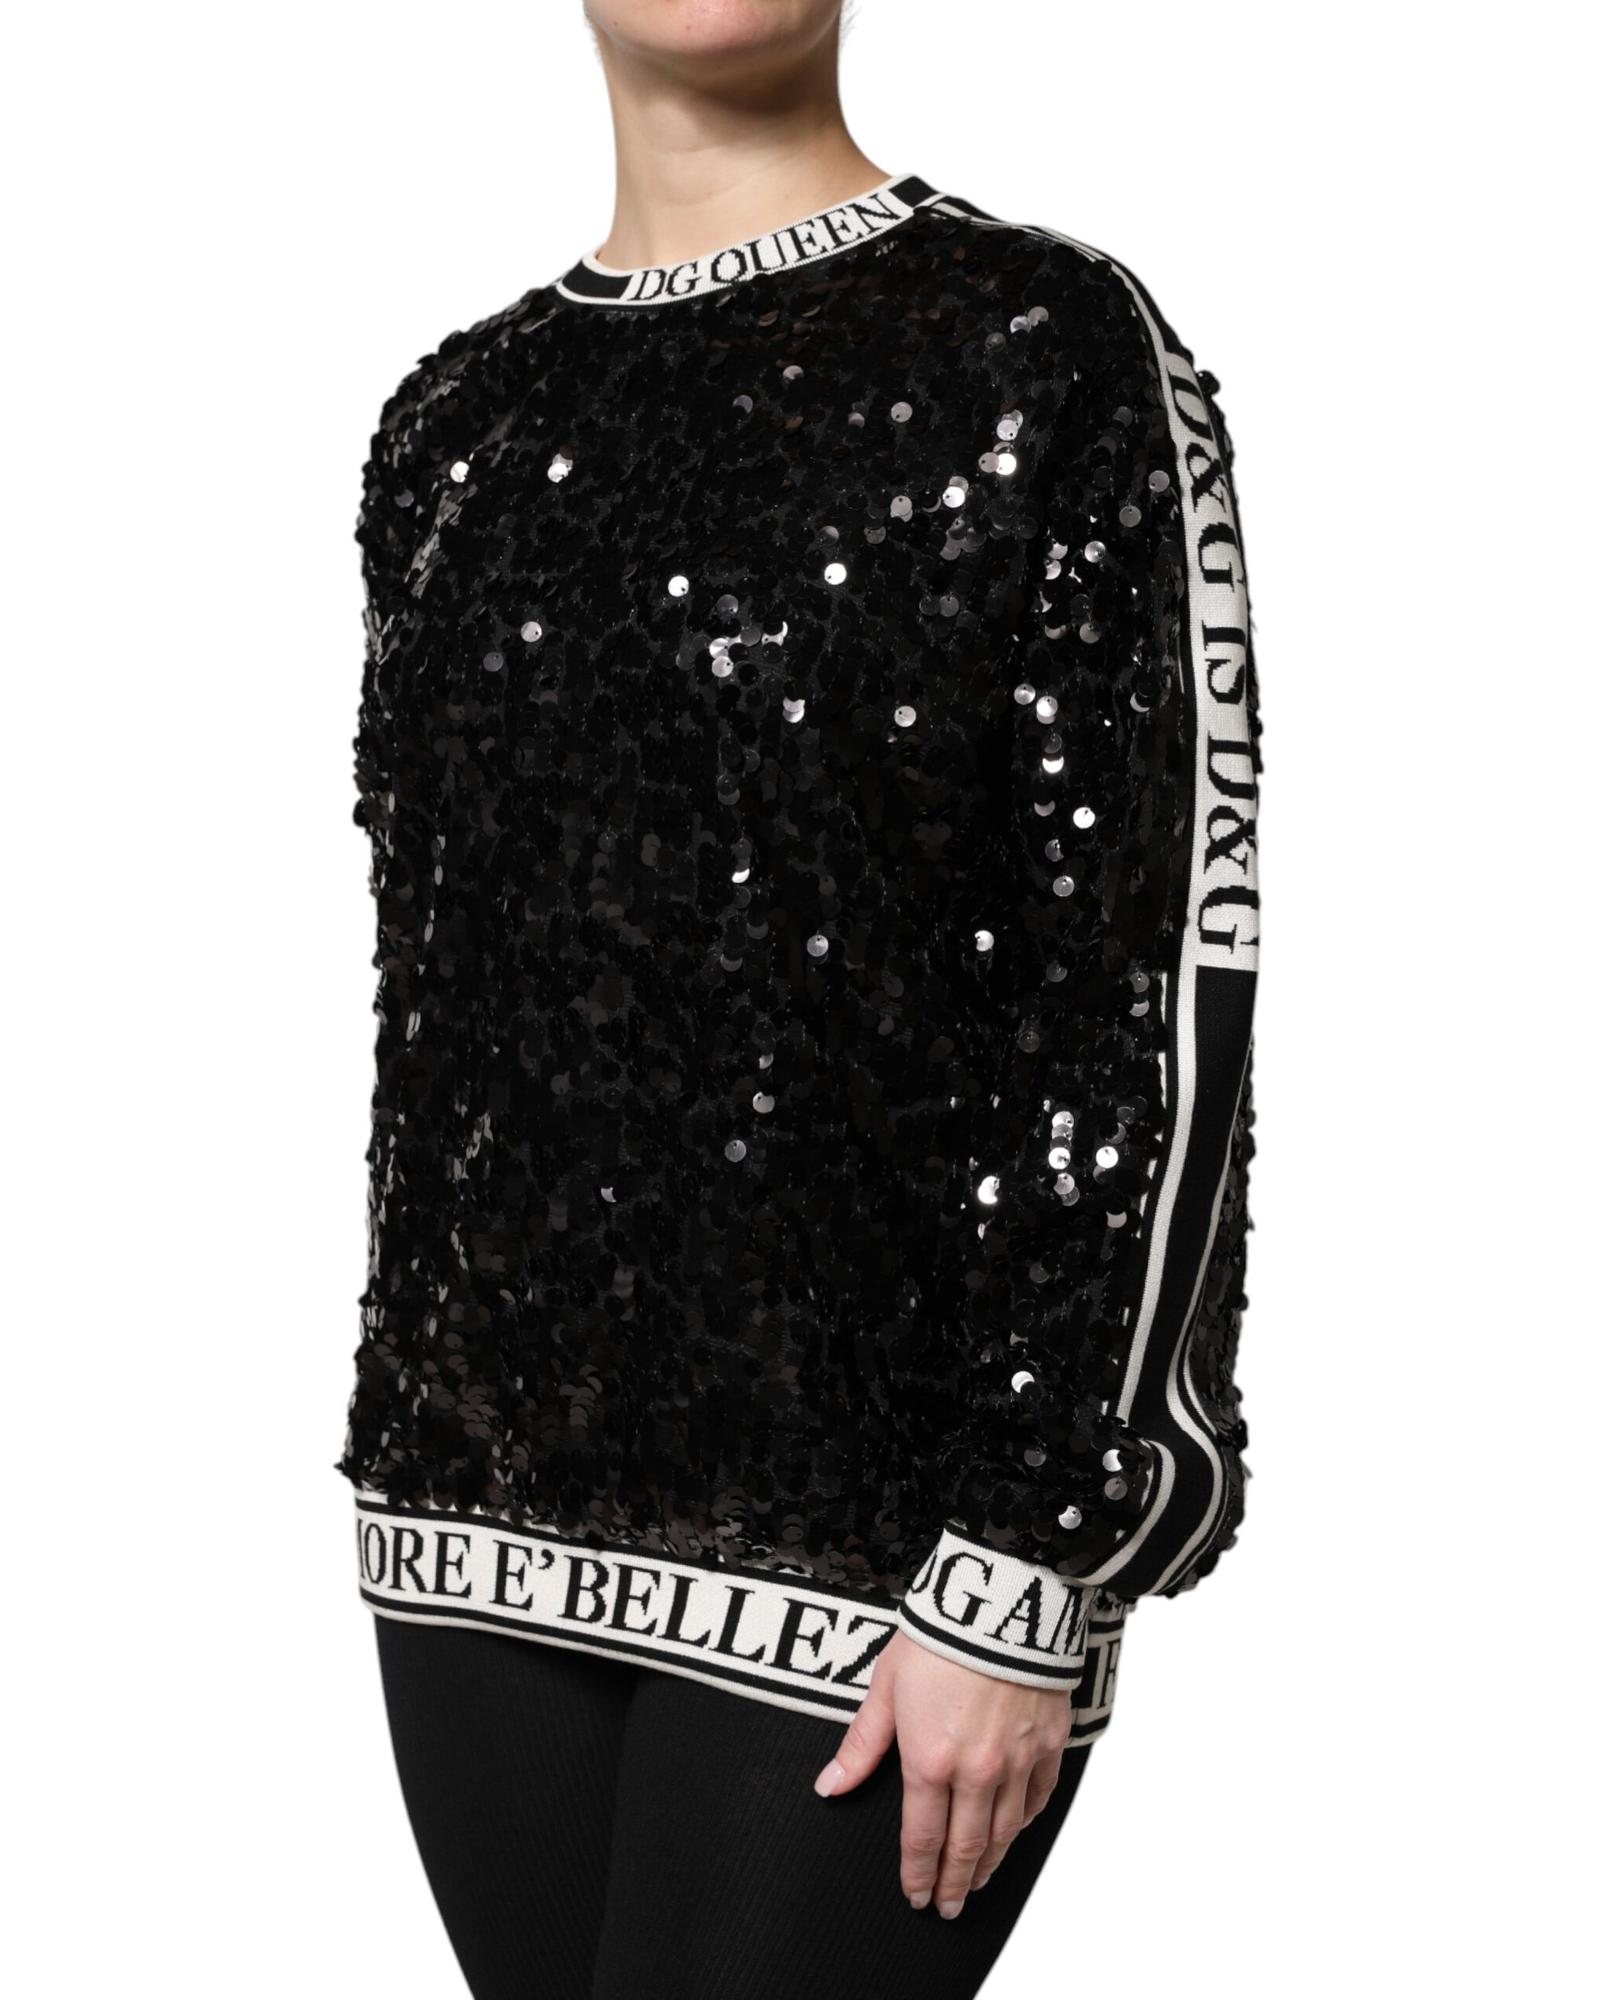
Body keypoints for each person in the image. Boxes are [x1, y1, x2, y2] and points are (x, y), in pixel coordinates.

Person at [339, 4, 1262, 1995]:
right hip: (468, 1528)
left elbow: (1139, 980)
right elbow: (449, 1008)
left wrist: (1034, 1544)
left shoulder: (1043, 347)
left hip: (882, 1547)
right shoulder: (453, 423)